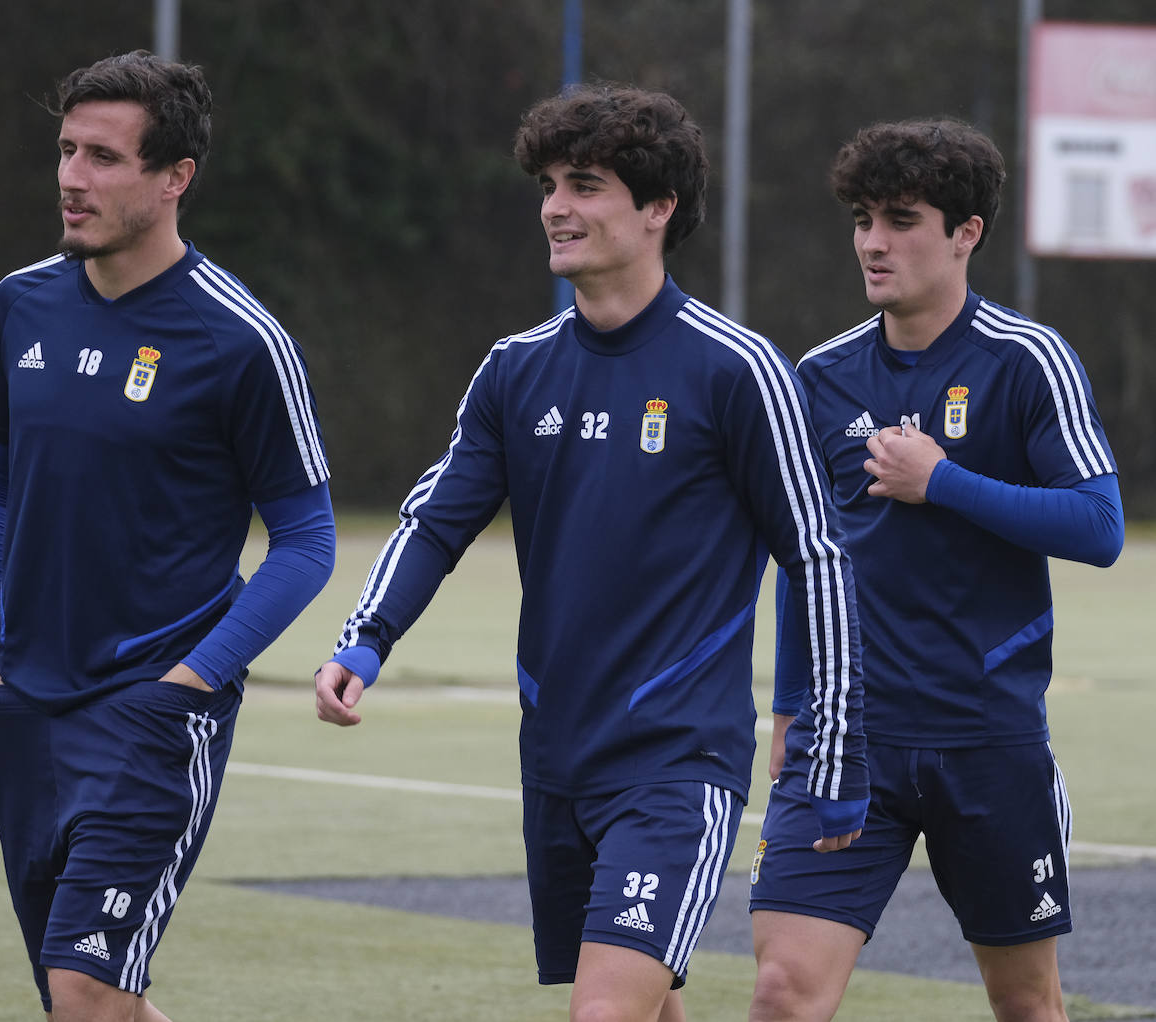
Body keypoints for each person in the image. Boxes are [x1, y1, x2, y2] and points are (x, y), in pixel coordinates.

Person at [313, 82, 867, 1022]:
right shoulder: (515, 369)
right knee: (644, 1008)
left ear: (658, 210)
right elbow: (436, 520)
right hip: (556, 757)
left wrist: (832, 738)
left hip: (678, 761)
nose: (556, 208)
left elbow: (817, 559)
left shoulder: (736, 369)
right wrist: (366, 639)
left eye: (585, 185)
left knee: (604, 1011)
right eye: (548, 185)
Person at [0, 51, 335, 1022]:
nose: (73, 178)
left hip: (152, 714)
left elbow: (305, 538)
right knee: (84, 995)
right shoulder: (21, 301)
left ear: (176, 178)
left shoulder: (242, 339)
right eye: (67, 150)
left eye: (104, 158)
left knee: (85, 986)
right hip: (22, 700)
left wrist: (190, 682)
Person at [747, 118, 1124, 1022]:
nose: (874, 242)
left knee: (1027, 1006)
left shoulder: (1027, 362)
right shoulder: (820, 377)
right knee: (782, 992)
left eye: (902, 219)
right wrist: (792, 706)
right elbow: (807, 555)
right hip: (848, 740)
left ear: (966, 233)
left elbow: (1099, 526)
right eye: (863, 218)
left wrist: (942, 481)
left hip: (987, 742)